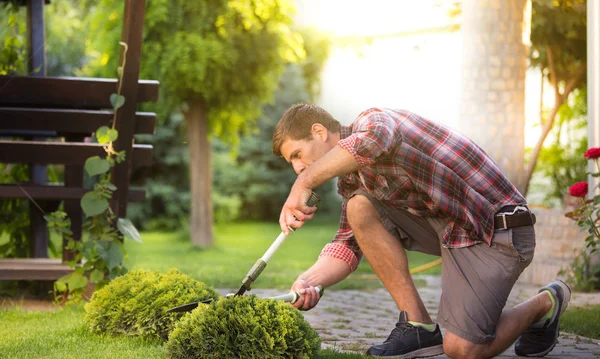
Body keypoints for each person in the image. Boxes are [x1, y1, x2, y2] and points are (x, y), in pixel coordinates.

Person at [272, 104, 571, 359]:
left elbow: (373, 142)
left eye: (298, 155)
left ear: (319, 132)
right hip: (453, 232)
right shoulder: (351, 181)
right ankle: (419, 327)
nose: (298, 168)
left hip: (497, 231)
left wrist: (304, 183)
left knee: (462, 349)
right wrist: (308, 282)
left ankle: (546, 302)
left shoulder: (373, 121)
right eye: (294, 163)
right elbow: (348, 244)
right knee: (358, 208)